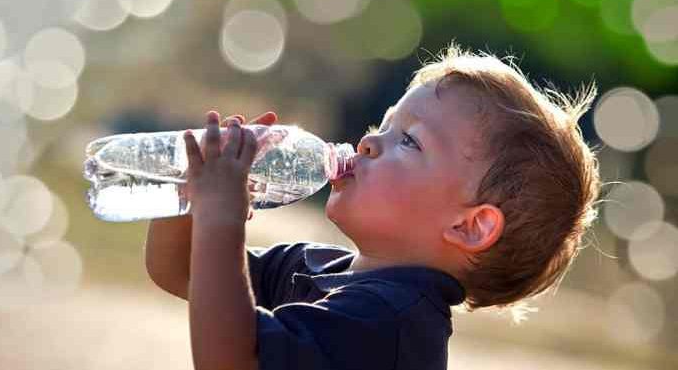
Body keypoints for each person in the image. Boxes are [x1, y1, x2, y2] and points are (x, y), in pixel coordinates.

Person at [144, 44, 601, 370]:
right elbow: (179, 269)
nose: (367, 143)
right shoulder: (316, 266)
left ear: (470, 226)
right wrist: (190, 192)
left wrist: (222, 220)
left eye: (408, 140)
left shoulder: (390, 324)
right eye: (382, 125)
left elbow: (228, 358)